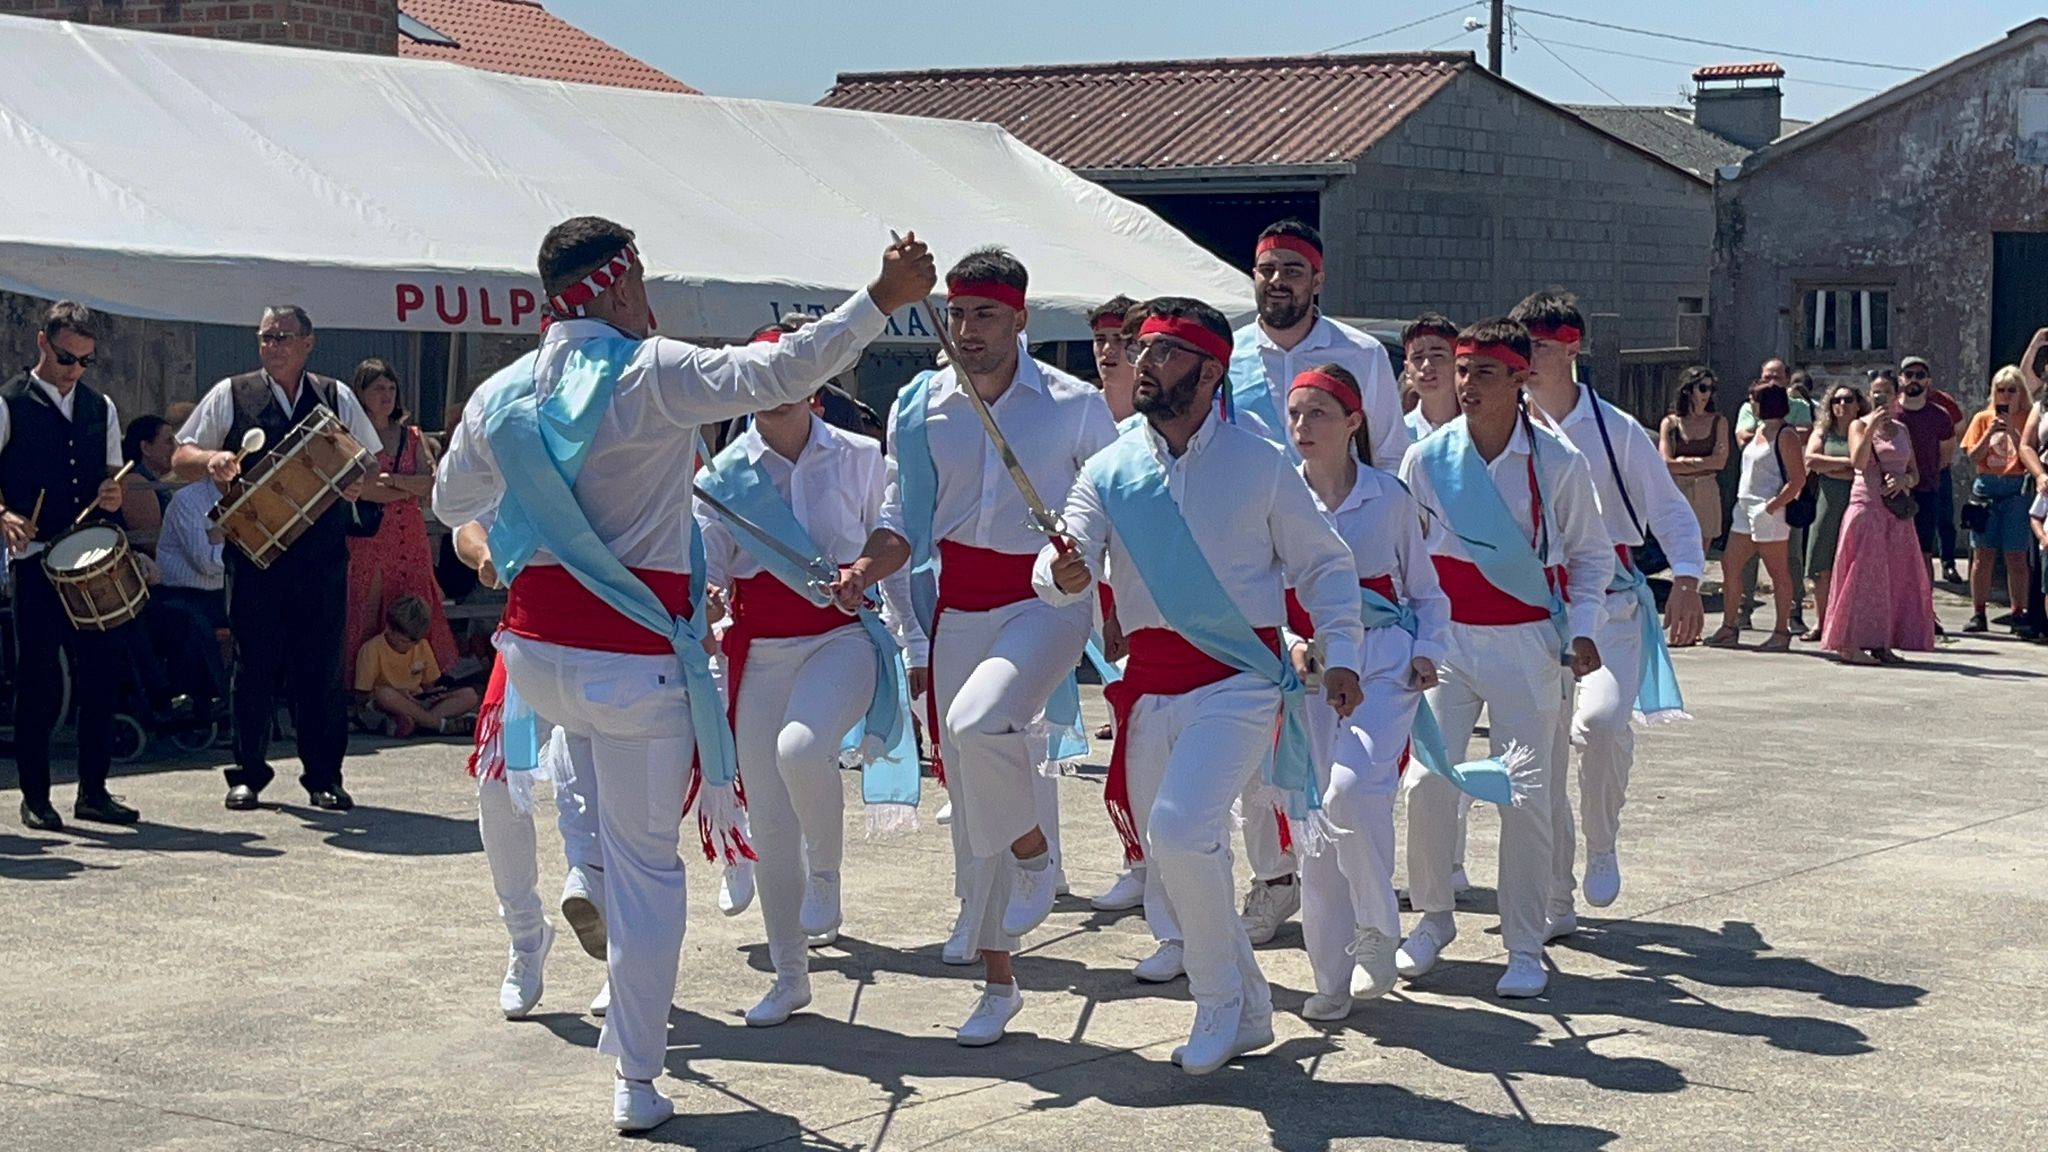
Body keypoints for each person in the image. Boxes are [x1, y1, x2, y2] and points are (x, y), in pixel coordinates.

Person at [435, 215, 931, 1133]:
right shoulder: (653, 371)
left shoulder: (500, 393)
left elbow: (450, 500)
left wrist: (524, 515)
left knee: (587, 787)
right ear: (622, 285)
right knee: (647, 872)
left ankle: (579, 892)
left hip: (534, 657)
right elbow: (780, 372)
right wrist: (881, 298)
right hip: (629, 666)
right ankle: (636, 1077)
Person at [1034, 297, 1365, 1071]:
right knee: (1181, 850)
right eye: (1141, 350)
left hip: (1240, 679)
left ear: (1211, 372)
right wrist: (1059, 573)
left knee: (1183, 831)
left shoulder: (1261, 463)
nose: (1144, 365)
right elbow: (1063, 554)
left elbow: (1325, 564)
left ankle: (1216, 1004)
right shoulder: (1110, 468)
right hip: (1149, 684)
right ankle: (1250, 1009)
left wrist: (1343, 649)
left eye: (1164, 353)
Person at [833, 246, 1115, 1047]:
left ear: (1020, 319)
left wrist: (1096, 575)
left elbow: (1118, 507)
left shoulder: (1075, 405)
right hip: (958, 605)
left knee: (978, 724)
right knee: (973, 793)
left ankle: (1037, 855)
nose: (966, 329)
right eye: (956, 314)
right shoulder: (920, 405)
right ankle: (999, 983)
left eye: (984, 315)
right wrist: (863, 569)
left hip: (1047, 601)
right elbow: (900, 518)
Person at [1395, 319, 1611, 999]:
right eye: (1462, 370)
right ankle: (1433, 917)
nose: (1466, 384)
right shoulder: (1426, 458)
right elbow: (1403, 556)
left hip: (1527, 643)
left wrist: (1584, 629)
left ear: (1521, 378)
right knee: (1427, 782)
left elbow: (1591, 556)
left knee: (1523, 793)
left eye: (1484, 372)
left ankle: (1523, 943)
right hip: (1447, 641)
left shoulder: (1558, 462)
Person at [696, 381, 909, 1027]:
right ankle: (790, 977)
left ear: (812, 385)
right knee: (769, 819)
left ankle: (827, 873)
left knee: (801, 748)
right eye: (761, 382)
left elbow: (895, 536)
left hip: (840, 637)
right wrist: (707, 597)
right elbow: (708, 569)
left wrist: (863, 573)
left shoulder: (859, 454)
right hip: (759, 652)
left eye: (789, 377)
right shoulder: (721, 478)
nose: (776, 392)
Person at [1224, 219, 1401, 943]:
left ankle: (1348, 885)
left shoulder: (1360, 353)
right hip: (1252, 562)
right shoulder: (1231, 355)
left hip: (1335, 565)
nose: (1278, 281)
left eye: (1293, 269)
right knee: (1251, 739)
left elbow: (1389, 458)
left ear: (1318, 279)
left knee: (1334, 746)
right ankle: (1274, 878)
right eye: (1267, 268)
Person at [1510, 290, 1703, 926]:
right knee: (1540, 757)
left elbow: (1669, 508)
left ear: (1573, 349)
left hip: (1612, 603)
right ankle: (1555, 897)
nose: (1527, 357)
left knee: (1599, 725)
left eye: (1540, 346)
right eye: (1522, 344)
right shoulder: (1504, 425)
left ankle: (1602, 842)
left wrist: (1687, 578)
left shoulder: (1616, 430)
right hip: (1530, 609)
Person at [1283, 361, 1448, 1018]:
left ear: (1354, 421)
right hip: (1309, 676)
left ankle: (1379, 930)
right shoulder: (1277, 497)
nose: (1302, 426)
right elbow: (1258, 597)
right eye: (1295, 414)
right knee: (1316, 824)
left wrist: (1429, 650)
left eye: (1318, 413)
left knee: (1351, 792)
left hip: (1384, 667)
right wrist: (1290, 644)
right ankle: (1330, 974)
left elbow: (1427, 593)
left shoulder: (1389, 497)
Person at [171, 304, 379, 812]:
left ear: (308, 342)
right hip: (255, 554)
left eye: (283, 337)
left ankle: (324, 776)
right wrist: (212, 459)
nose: (273, 346)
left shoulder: (335, 395)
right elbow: (180, 456)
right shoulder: (232, 392)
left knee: (321, 667)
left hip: (321, 556)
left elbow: (369, 461)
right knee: (253, 665)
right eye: (266, 337)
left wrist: (358, 482)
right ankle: (246, 774)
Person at [452, 521, 609, 1023]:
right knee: (496, 784)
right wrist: (484, 553)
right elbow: (465, 520)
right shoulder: (515, 463)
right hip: (531, 634)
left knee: (611, 788)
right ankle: (526, 935)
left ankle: (626, 954)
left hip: (613, 632)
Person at [1, 301, 139, 829]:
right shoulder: (9, 403)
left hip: (90, 558)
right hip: (37, 560)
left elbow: (112, 477)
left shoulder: (100, 406)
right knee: (38, 680)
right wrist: (3, 514)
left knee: (101, 676)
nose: (74, 370)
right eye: (65, 358)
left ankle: (94, 791)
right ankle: (36, 796)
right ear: (42, 342)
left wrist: (112, 493)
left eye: (85, 361)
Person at [346, 359, 457, 684]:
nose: (387, 395)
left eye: (391, 388)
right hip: (369, 537)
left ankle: (419, 679)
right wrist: (407, 488)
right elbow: (363, 489)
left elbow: (430, 483)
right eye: (378, 388)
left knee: (414, 603)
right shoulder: (352, 437)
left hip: (410, 537)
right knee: (366, 607)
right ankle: (362, 684)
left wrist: (392, 480)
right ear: (361, 393)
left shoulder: (412, 435)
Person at [1821, 375, 1936, 664]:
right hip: (1867, 507)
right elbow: (1858, 462)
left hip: (1895, 512)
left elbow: (1915, 472)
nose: (1879, 398)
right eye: (1874, 393)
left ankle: (1882, 642)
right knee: (1861, 576)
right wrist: (1871, 427)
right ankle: (1850, 642)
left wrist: (1904, 479)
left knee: (1891, 578)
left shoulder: (1902, 430)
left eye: (1885, 392)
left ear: (1896, 396)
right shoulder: (1858, 426)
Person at [1709, 383, 1807, 651]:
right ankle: (1729, 627)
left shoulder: (1786, 435)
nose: (1750, 404)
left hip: (1768, 509)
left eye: (1754, 399)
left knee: (1778, 572)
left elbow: (1798, 479)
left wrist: (1772, 506)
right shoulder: (1760, 430)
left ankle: (1781, 632)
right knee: (1730, 565)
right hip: (1744, 507)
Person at [1735, 359, 1814, 633]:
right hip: (1749, 501)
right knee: (1739, 561)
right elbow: (1742, 437)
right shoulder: (1751, 411)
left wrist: (1772, 506)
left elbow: (1804, 437)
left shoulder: (1796, 412)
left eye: (1776, 377)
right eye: (1766, 376)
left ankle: (1790, 618)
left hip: (1780, 502)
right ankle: (1738, 615)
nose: (1771, 382)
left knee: (1786, 562)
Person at [1960, 366, 2036, 633]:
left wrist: (2014, 432)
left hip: (2016, 488)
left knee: (2017, 555)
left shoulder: (2029, 418)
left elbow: (2029, 454)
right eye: (2000, 390)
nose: (2006, 395)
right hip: (1988, 485)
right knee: (1982, 554)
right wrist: (1989, 433)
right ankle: (1978, 612)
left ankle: (2018, 611)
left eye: (2011, 390)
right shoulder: (1983, 418)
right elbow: (1973, 456)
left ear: (2021, 392)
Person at [354, 594, 479, 737]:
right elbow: (361, 696)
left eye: (415, 642)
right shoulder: (372, 649)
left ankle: (421, 722)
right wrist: (400, 693)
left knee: (469, 695)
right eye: (404, 641)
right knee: (385, 695)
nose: (410, 647)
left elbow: (428, 685)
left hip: (417, 700)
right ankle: (437, 724)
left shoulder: (422, 646)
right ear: (390, 629)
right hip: (390, 703)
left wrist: (435, 695)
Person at [1803, 385, 1867, 642]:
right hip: (1828, 502)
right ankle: (1821, 623)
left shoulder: (1864, 431)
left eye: (1848, 399)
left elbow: (1867, 466)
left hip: (1858, 500)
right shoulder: (1823, 431)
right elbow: (1811, 460)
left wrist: (1830, 466)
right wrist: (1849, 463)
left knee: (1854, 564)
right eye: (1836, 400)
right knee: (1822, 563)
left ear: (1858, 404)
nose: (1842, 405)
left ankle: (1850, 624)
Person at [1894, 356, 1961, 590]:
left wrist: (1924, 476)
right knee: (1895, 552)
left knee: (1924, 552)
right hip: (1893, 491)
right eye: (1909, 374)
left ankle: (1925, 607)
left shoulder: (1940, 415)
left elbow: (1946, 455)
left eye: (1920, 375)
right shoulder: (1890, 412)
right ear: (1900, 379)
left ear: (1928, 381)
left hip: (1926, 490)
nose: (1914, 379)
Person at [1660, 366, 1729, 556]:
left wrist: (1683, 461)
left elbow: (1720, 462)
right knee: (1678, 551)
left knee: (1700, 553)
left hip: (1706, 489)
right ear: (1688, 390)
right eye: (1703, 388)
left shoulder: (1719, 421)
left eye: (1711, 389)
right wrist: (1704, 462)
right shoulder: (1670, 423)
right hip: (1678, 490)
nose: (1707, 394)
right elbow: (1665, 463)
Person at [119, 413, 177, 552]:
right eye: (168, 441)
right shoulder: (135, 483)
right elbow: (154, 544)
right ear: (146, 448)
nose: (175, 448)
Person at [1402, 313, 1460, 441]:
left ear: (1457, 364)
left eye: (1437, 355)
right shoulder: (1399, 435)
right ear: (1407, 369)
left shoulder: (1479, 430)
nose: (1426, 366)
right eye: (1417, 357)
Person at [1090, 294, 1140, 423]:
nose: (1107, 349)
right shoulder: (1082, 412)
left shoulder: (1163, 420)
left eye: (1119, 339)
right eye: (1100, 340)